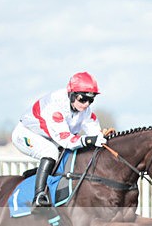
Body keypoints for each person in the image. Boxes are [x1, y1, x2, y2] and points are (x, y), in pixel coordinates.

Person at [11, 71, 107, 210]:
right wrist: (89, 140)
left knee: (69, 154)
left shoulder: (84, 109)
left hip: (50, 136)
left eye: (90, 100)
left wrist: (102, 138)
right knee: (50, 152)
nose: (86, 104)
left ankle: (35, 174)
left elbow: (95, 133)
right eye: (82, 99)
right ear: (72, 94)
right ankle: (39, 196)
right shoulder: (55, 106)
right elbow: (67, 140)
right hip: (26, 133)